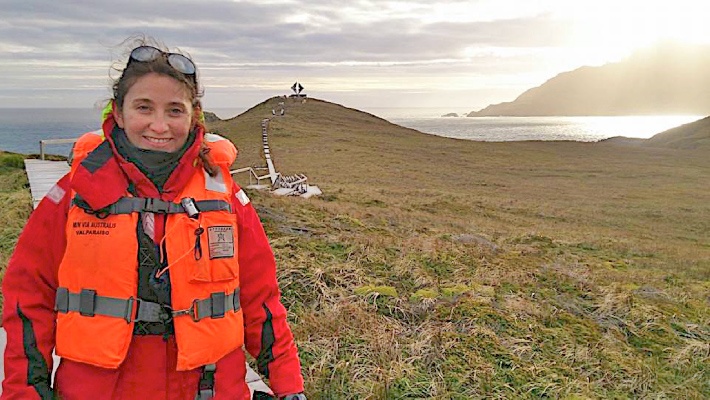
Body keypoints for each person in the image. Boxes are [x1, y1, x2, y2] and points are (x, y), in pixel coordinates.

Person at [1, 38, 306, 400]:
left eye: (174, 110)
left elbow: (261, 300)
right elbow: (27, 300)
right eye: (144, 107)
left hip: (209, 388)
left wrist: (288, 386)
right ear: (118, 112)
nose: (159, 126)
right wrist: (25, 392)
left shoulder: (225, 198)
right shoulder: (72, 196)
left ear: (194, 116)